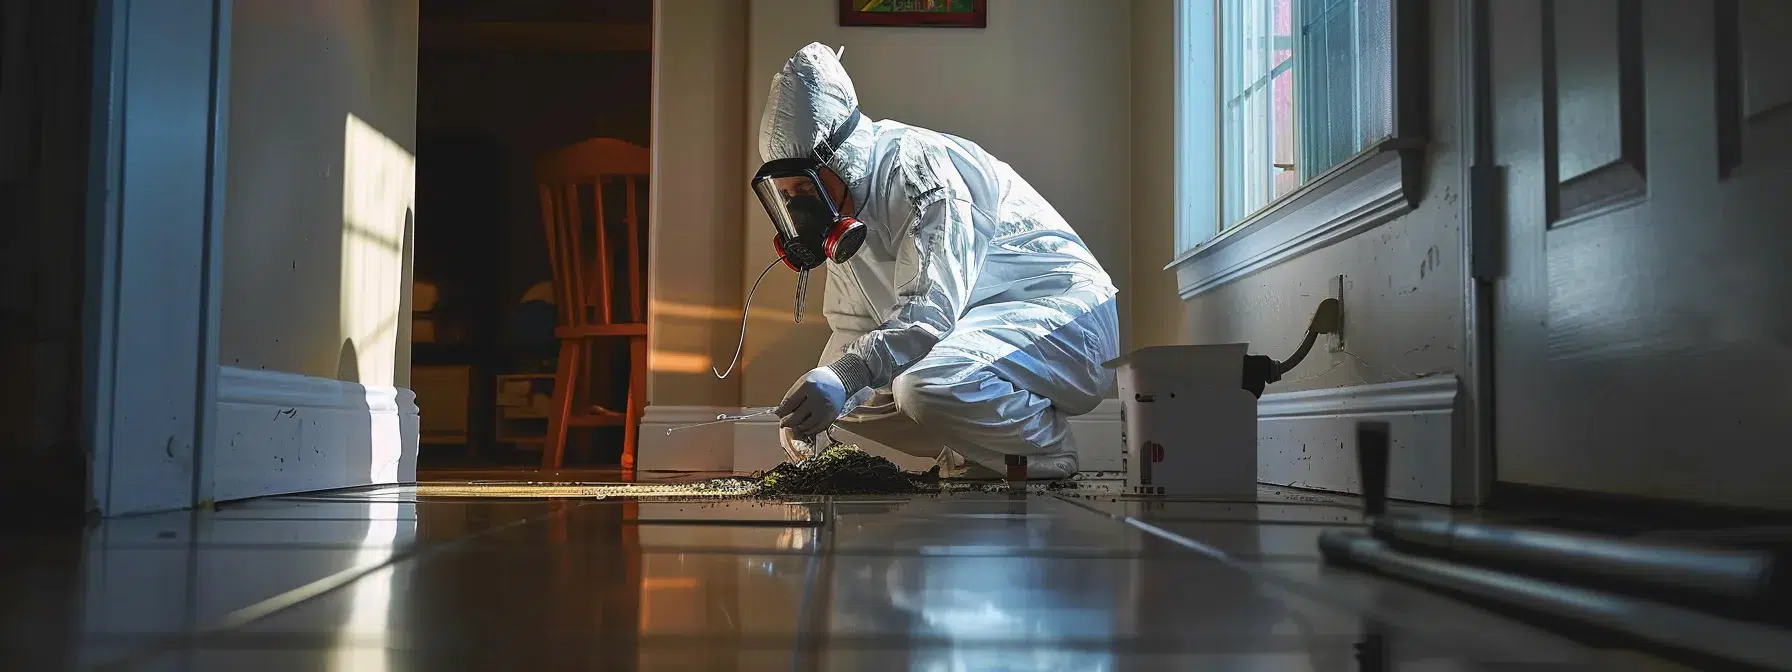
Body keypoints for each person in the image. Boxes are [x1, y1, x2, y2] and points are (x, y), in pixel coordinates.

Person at [757, 43, 1119, 480]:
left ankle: (1043, 450)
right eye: (788, 195)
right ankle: (981, 453)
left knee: (922, 385)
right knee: (854, 400)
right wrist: (820, 396)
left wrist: (844, 375)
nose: (800, 209)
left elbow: (928, 314)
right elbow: (854, 328)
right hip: (976, 325)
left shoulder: (921, 174)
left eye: (806, 189)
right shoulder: (847, 208)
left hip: (1061, 319)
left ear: (841, 160)